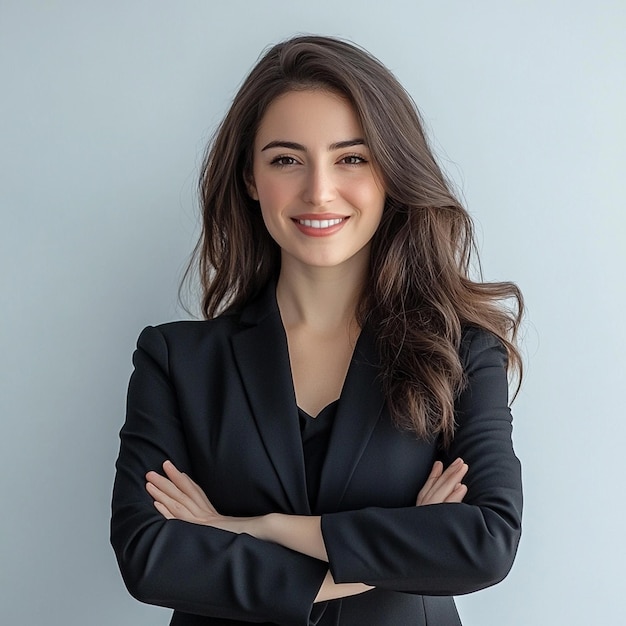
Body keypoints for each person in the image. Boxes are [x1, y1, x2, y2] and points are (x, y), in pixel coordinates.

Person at [111, 35, 524, 626]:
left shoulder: (461, 353)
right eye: (286, 159)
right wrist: (401, 547)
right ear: (251, 178)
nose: (319, 190)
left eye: (351, 158)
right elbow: (148, 555)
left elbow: (484, 541)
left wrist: (256, 530)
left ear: (390, 173)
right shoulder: (176, 359)